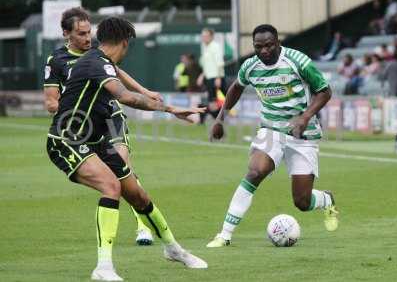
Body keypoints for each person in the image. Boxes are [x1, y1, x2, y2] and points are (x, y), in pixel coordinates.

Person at [46, 17, 208, 280]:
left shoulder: (100, 61)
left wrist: (148, 92)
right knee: (111, 187)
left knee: (138, 195)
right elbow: (125, 97)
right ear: (125, 42)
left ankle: (174, 249)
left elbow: (121, 81)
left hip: (96, 141)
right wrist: (170, 109)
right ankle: (103, 267)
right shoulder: (95, 63)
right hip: (67, 138)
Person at [206, 24, 339, 248]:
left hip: (303, 134)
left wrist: (305, 117)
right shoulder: (250, 66)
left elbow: (325, 91)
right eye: (259, 47)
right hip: (271, 130)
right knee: (256, 171)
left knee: (302, 201)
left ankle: (326, 199)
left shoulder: (298, 61)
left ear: (277, 43)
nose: (264, 50)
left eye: (268, 45)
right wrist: (221, 118)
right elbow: (236, 88)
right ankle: (225, 234)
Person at [43, 7, 159, 246]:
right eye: (81, 34)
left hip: (112, 116)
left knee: (123, 163)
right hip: (83, 125)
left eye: (89, 33)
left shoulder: (98, 53)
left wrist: (145, 92)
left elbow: (117, 72)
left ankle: (142, 226)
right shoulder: (56, 61)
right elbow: (50, 102)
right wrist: (68, 106)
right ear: (66, 34)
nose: (87, 38)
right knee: (112, 180)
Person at [197, 28, 226, 123]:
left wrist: (218, 77)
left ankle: (219, 119)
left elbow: (219, 63)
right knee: (211, 101)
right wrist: (202, 75)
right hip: (209, 78)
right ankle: (218, 120)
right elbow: (207, 65)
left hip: (216, 77)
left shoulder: (215, 47)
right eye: (203, 36)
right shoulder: (205, 48)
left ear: (211, 37)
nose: (204, 38)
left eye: (206, 36)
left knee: (223, 99)